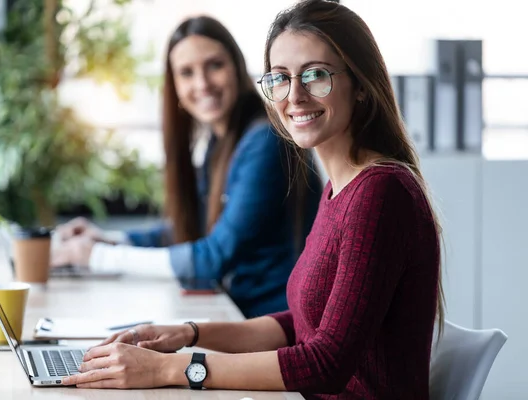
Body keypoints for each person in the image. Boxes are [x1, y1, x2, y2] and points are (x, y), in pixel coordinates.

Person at [61, 1, 445, 399]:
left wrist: (171, 367)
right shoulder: (340, 189)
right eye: (280, 78)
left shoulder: (380, 193)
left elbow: (327, 363)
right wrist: (188, 333)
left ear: (361, 85)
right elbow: (298, 324)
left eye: (315, 75)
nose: (295, 95)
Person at [51, 16, 322, 318]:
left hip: (273, 325)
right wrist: (110, 238)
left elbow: (213, 257)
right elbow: (192, 227)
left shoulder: (265, 141)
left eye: (214, 65)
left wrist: (99, 257)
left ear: (237, 67)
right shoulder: (219, 144)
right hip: (241, 315)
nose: (202, 84)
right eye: (187, 73)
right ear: (175, 86)